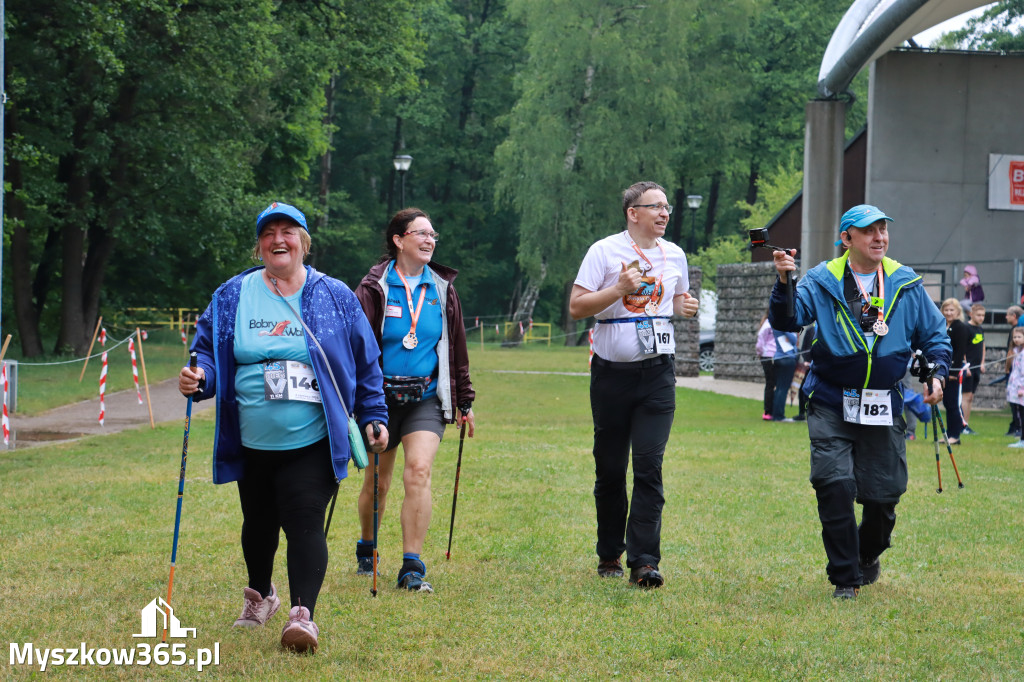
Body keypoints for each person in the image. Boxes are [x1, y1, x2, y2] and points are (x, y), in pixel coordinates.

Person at [179, 202, 389, 653]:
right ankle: (261, 596)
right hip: (251, 438)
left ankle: (302, 616)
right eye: (269, 233)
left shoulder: (334, 295)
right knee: (257, 524)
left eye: (288, 232)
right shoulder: (231, 296)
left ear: (303, 241)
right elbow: (208, 356)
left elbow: (366, 361)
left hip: (314, 437)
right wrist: (200, 379)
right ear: (260, 245)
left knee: (303, 517)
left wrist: (375, 414)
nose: (279, 240)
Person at [769, 204, 950, 600]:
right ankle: (845, 578)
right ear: (847, 239)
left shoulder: (905, 282)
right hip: (831, 401)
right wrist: (785, 281)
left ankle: (867, 554)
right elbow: (789, 318)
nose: (880, 237)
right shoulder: (821, 279)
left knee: (884, 495)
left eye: (884, 229)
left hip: (884, 404)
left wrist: (937, 372)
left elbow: (934, 335)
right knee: (833, 485)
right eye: (870, 231)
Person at [569, 180, 699, 589]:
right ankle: (609, 551)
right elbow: (576, 308)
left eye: (667, 207)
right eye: (655, 207)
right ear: (633, 213)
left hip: (658, 373)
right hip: (611, 373)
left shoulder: (674, 253)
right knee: (610, 468)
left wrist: (686, 307)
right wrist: (618, 289)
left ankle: (645, 561)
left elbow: (675, 301)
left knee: (648, 465)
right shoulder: (604, 251)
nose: (664, 213)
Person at [353, 207, 476, 594]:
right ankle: (367, 547)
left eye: (433, 235)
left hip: (425, 396)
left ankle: (411, 567)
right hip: (380, 399)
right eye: (421, 233)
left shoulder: (442, 289)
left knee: (418, 471)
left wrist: (465, 400)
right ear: (398, 239)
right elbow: (356, 348)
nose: (429, 240)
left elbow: (455, 347)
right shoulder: (373, 287)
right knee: (379, 481)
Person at [940, 298, 969, 445]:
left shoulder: (960, 327)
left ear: (957, 312)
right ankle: (948, 433)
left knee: (953, 403)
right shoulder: (941, 325)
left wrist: (953, 372)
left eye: (952, 310)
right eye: (946, 310)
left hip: (954, 370)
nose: (949, 313)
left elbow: (960, 351)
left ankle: (955, 436)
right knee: (947, 403)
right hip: (943, 368)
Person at [961, 303, 986, 433]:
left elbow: (983, 346)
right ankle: (962, 425)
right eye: (978, 315)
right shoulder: (966, 328)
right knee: (965, 397)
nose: (981, 318)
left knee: (970, 397)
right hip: (968, 368)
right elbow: (962, 348)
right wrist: (966, 366)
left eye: (983, 315)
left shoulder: (980, 329)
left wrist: (982, 363)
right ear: (971, 314)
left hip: (977, 368)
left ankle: (966, 424)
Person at [1004, 306, 1024, 436]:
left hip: (1020, 385)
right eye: (1015, 337)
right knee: (1013, 406)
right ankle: (1017, 429)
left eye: (1019, 337)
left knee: (1021, 409)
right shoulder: (1015, 352)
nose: (1016, 339)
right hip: (1013, 383)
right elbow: (1011, 368)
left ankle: (1020, 431)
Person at [756, 314, 777, 421]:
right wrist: (761, 352)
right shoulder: (768, 324)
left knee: (773, 383)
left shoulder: (771, 323)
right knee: (770, 383)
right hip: (769, 356)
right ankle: (768, 411)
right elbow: (760, 340)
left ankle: (773, 410)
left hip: (772, 355)